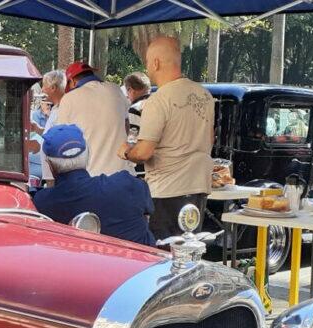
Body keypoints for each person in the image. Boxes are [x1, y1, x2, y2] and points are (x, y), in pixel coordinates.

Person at [118, 36, 215, 241]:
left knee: (164, 257)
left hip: (166, 191)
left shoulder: (158, 100)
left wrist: (126, 151)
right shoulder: (205, 95)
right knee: (189, 251)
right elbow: (210, 138)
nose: (147, 67)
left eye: (147, 62)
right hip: (198, 187)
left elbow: (144, 152)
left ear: (156, 63)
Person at [33, 124, 155, 246]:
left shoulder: (41, 202)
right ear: (88, 154)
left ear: (49, 165)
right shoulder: (127, 185)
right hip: (141, 263)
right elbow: (149, 211)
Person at [55, 62, 131, 176]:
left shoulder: (69, 98)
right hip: (122, 172)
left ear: (72, 81)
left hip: (91, 175)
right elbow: (126, 125)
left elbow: (61, 138)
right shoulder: (115, 89)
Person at [39, 70, 66, 186]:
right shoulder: (56, 109)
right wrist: (37, 129)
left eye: (44, 86)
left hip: (57, 175)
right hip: (51, 175)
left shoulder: (64, 110)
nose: (42, 90)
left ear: (53, 87)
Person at [123, 72, 151, 176]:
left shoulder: (135, 109)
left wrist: (127, 153)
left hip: (144, 161)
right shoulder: (159, 103)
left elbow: (133, 136)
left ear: (131, 90)